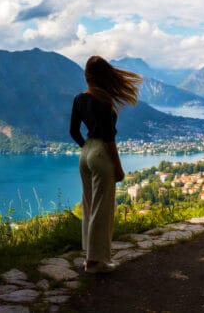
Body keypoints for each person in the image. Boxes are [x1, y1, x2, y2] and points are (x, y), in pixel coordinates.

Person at [70, 56, 142, 274]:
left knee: (89, 205)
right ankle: (96, 262)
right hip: (101, 152)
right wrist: (118, 167)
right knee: (102, 209)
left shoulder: (79, 99)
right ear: (104, 76)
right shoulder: (104, 101)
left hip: (86, 153)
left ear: (86, 75)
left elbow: (73, 131)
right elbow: (109, 138)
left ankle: (89, 256)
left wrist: (87, 147)